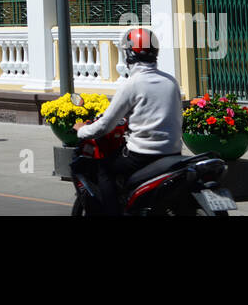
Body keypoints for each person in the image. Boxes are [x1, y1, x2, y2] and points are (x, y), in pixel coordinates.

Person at [74, 27, 183, 216]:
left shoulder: (132, 84)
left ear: (130, 54)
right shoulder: (171, 81)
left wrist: (82, 131)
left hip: (142, 156)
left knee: (104, 169)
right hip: (173, 151)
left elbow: (105, 125)